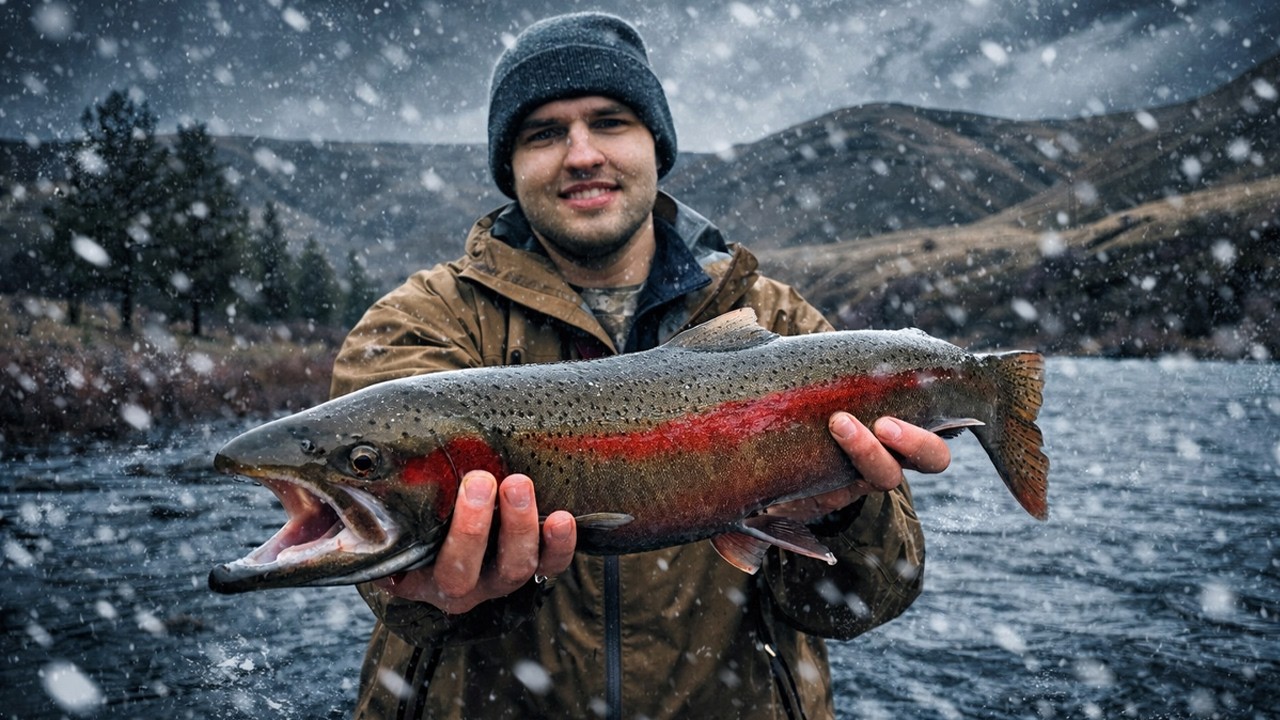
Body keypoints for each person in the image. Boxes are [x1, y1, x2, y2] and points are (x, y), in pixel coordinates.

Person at [329, 12, 950, 719]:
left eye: (610, 121)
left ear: (656, 143)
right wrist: (443, 588)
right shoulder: (415, 325)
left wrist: (840, 512)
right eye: (544, 133)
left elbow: (865, 601)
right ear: (510, 167)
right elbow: (392, 573)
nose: (581, 153)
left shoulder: (783, 324)